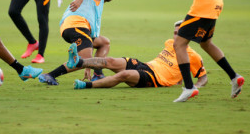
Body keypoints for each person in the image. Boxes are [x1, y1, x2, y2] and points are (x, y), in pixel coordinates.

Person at [69, 20, 208, 90]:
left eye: (180, 33)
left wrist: (195, 86)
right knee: (110, 60)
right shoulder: (170, 42)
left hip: (154, 79)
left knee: (123, 75)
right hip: (145, 65)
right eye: (175, 32)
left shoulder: (194, 56)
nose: (176, 36)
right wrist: (178, 80)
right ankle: (79, 62)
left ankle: (86, 86)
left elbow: (203, 78)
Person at [38, 0, 120, 85]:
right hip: (76, 25)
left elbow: (92, 39)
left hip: (78, 27)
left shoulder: (98, 4)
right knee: (84, 60)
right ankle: (50, 75)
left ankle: (98, 75)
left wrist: (89, 67)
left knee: (104, 43)